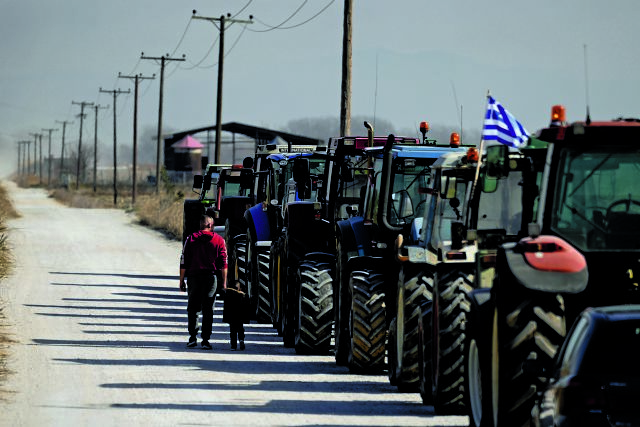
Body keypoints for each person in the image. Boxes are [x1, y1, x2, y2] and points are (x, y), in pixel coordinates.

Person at [179, 214, 227, 350]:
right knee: (208, 309)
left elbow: (184, 261)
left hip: (194, 278)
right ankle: (205, 340)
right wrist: (223, 283)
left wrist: (181, 280)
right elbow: (224, 264)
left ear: (201, 225)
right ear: (211, 225)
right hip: (211, 278)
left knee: (193, 308)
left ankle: (192, 337)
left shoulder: (191, 239)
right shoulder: (219, 240)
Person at [223, 282, 250, 350]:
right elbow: (247, 308)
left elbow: (226, 308)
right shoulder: (243, 295)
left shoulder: (228, 295)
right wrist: (246, 319)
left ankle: (233, 345)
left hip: (232, 317)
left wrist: (226, 318)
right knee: (240, 329)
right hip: (240, 317)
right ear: (239, 288)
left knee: (233, 331)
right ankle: (241, 340)